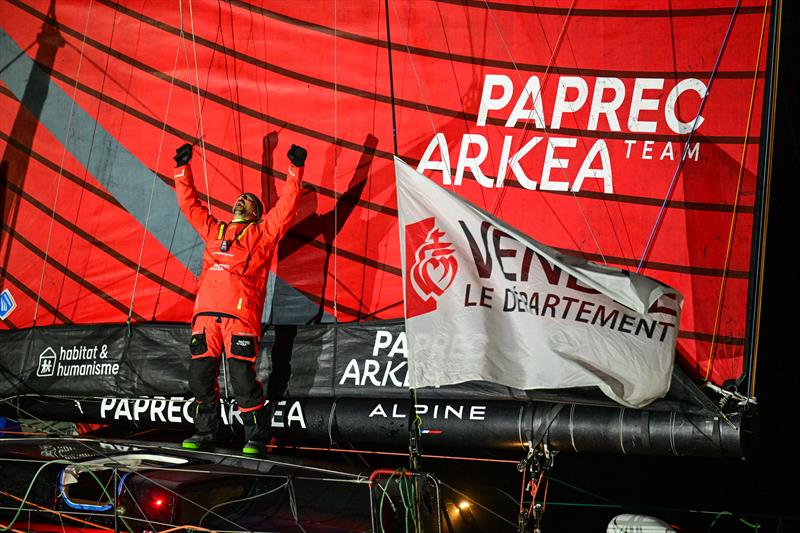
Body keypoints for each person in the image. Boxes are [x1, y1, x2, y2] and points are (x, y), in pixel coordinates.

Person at [172, 142, 306, 455]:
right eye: (240, 198)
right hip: (205, 319)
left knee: (242, 379)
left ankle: (257, 436)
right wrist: (181, 169)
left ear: (256, 212)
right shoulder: (214, 230)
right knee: (200, 379)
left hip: (240, 320)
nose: (242, 199)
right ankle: (205, 433)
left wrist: (295, 169)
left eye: (249, 200)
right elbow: (189, 205)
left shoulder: (263, 233)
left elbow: (287, 206)